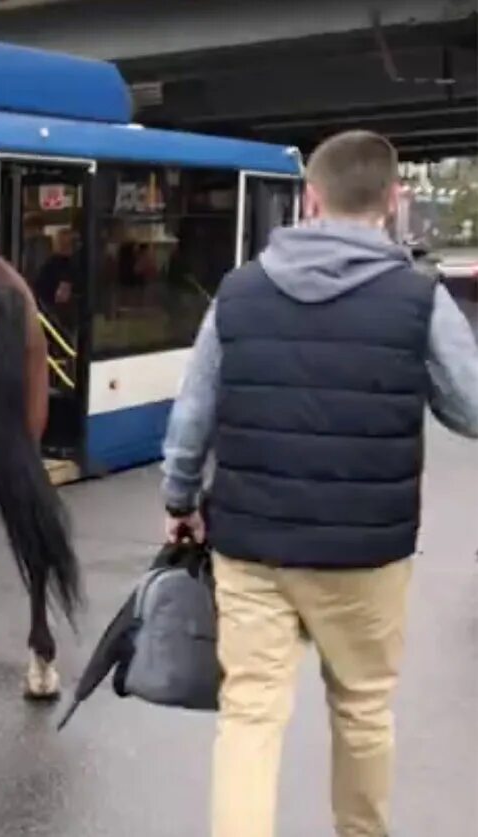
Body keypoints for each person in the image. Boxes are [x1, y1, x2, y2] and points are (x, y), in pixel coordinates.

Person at [159, 130, 478, 837]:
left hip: (251, 548)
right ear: (393, 201)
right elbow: (472, 408)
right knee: (363, 709)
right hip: (368, 556)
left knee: (249, 717)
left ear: (310, 196)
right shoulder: (418, 299)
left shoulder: (238, 291)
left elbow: (193, 417)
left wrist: (179, 501)